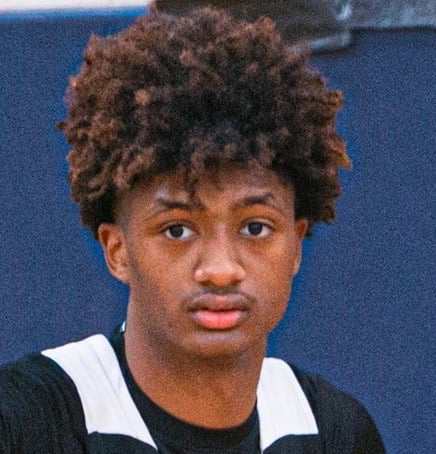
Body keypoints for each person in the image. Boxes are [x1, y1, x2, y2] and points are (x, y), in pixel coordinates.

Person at [0, 5, 385, 453]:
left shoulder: (335, 433)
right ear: (117, 250)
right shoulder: (25, 424)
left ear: (296, 245)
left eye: (255, 227)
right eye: (178, 230)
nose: (221, 270)